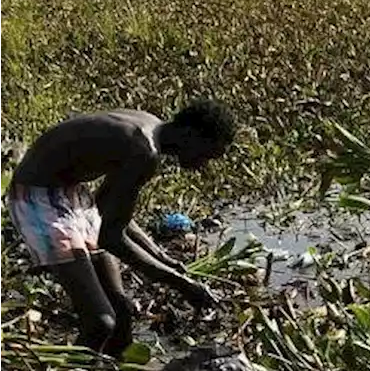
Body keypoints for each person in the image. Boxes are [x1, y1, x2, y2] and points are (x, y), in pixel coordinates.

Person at [5, 102, 235, 357]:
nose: (202, 164)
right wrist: (182, 283)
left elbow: (107, 208)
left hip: (73, 192)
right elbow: (112, 238)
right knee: (101, 323)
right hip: (38, 198)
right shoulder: (144, 152)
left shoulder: (150, 124)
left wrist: (161, 256)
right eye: (206, 154)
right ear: (192, 136)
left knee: (123, 313)